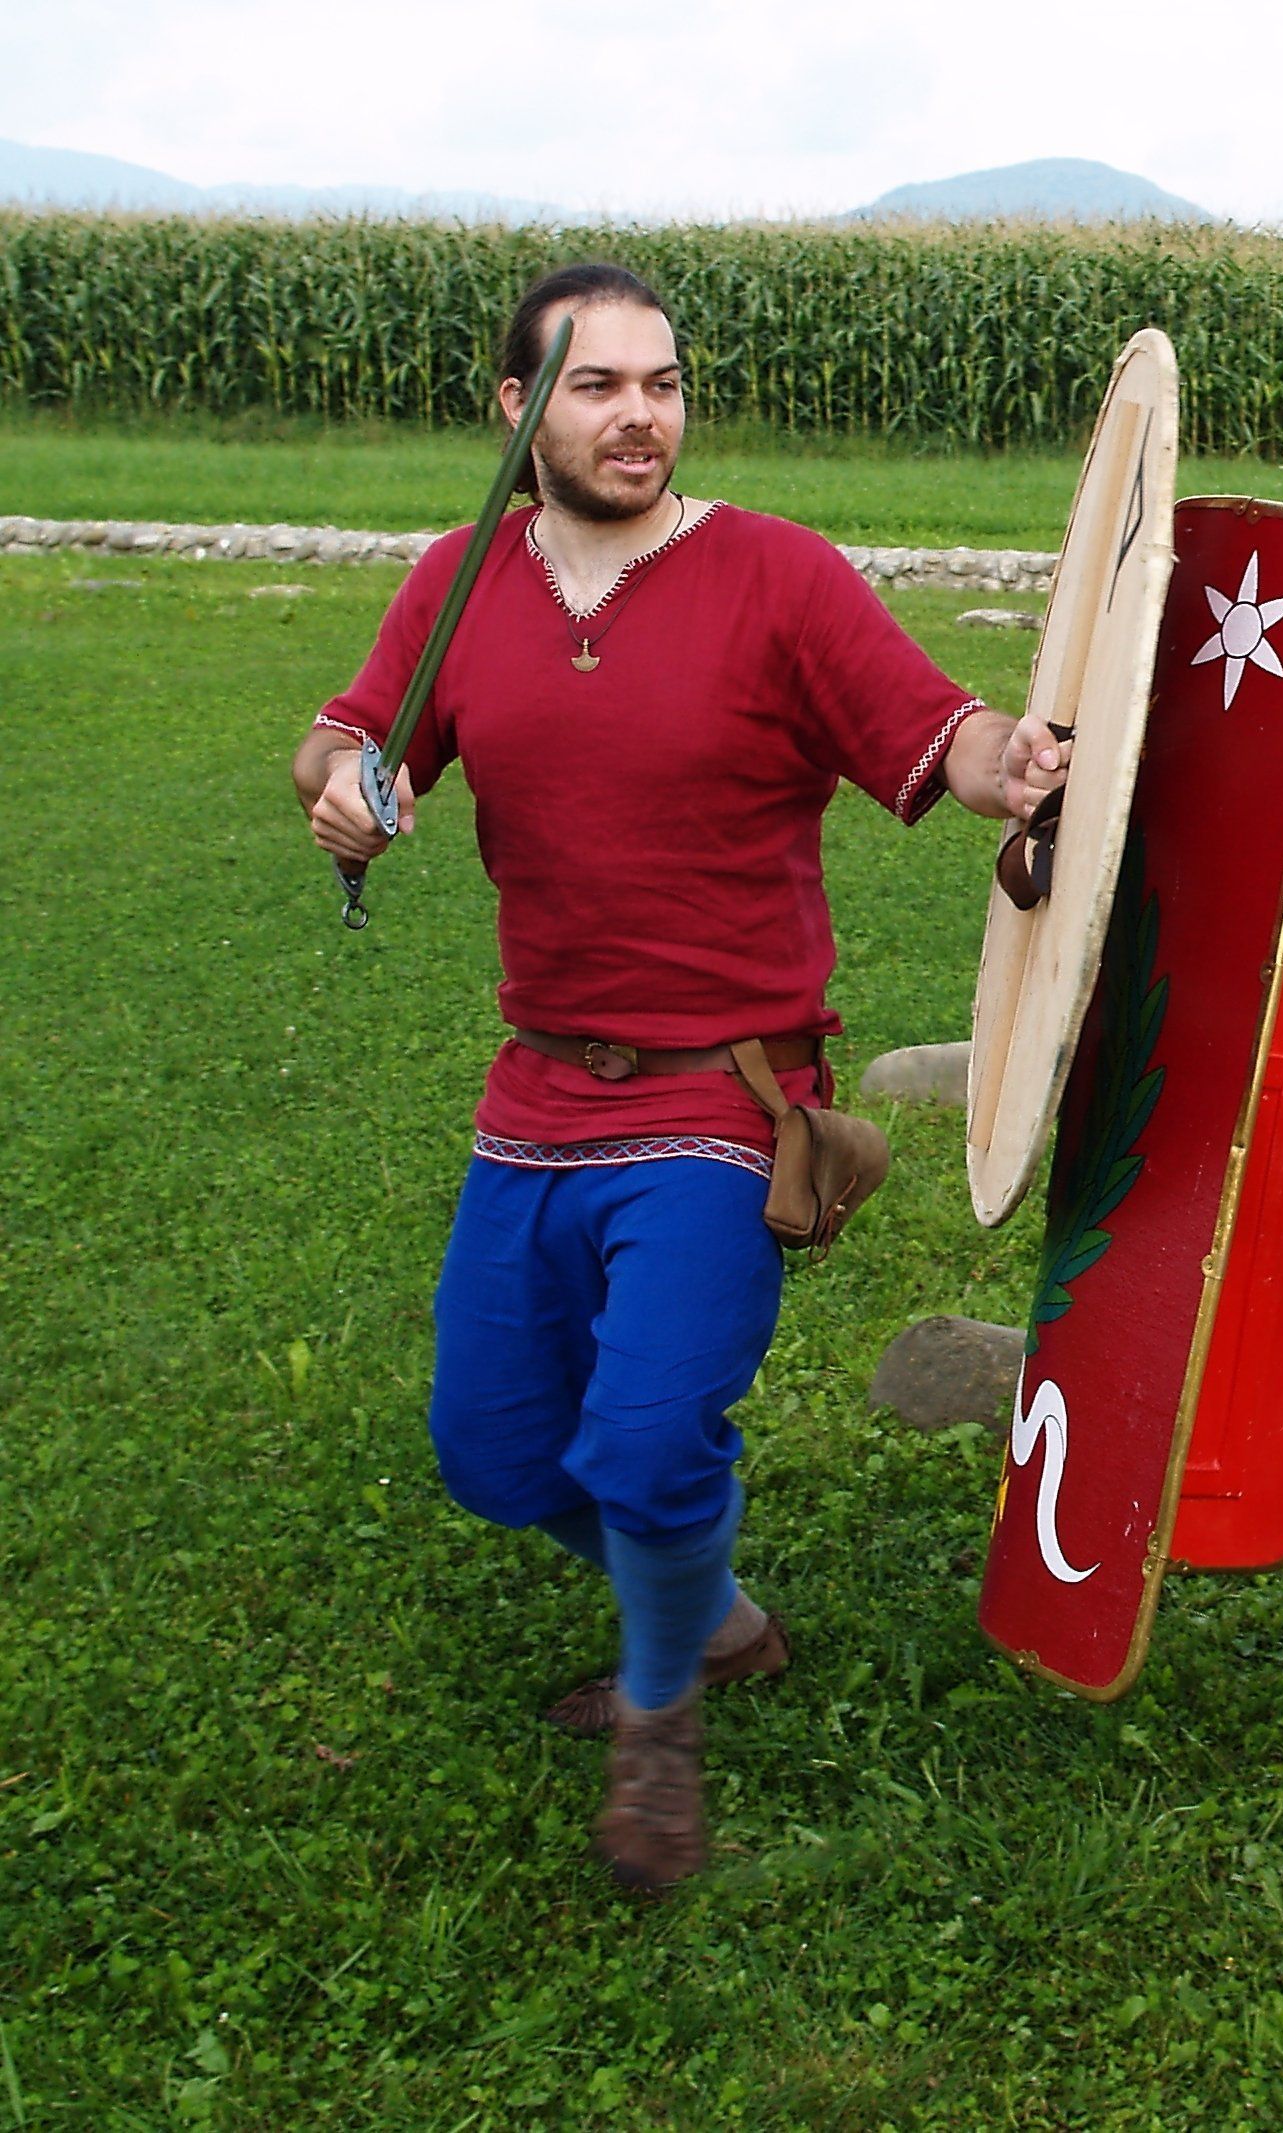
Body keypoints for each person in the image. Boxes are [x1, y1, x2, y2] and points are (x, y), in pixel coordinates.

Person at [294, 262, 1066, 1894]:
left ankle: (660, 1716)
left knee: (647, 1440)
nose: (638, 415)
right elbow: (355, 734)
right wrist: (351, 783)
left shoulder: (777, 576)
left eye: (661, 383)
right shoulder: (458, 580)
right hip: (537, 1092)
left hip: (728, 1092)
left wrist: (1016, 760)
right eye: (597, 386)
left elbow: (940, 730)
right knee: (494, 1456)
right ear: (520, 410)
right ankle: (712, 1615)